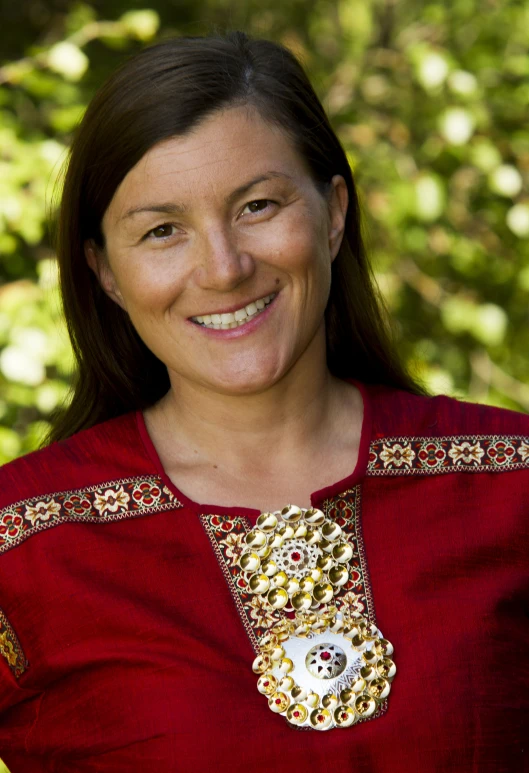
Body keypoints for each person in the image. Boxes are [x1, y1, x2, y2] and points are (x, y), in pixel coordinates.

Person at [0, 31, 527, 773]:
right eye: (161, 230)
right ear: (105, 273)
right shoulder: (20, 545)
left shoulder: (512, 486)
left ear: (332, 211)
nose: (222, 267)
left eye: (256, 204)